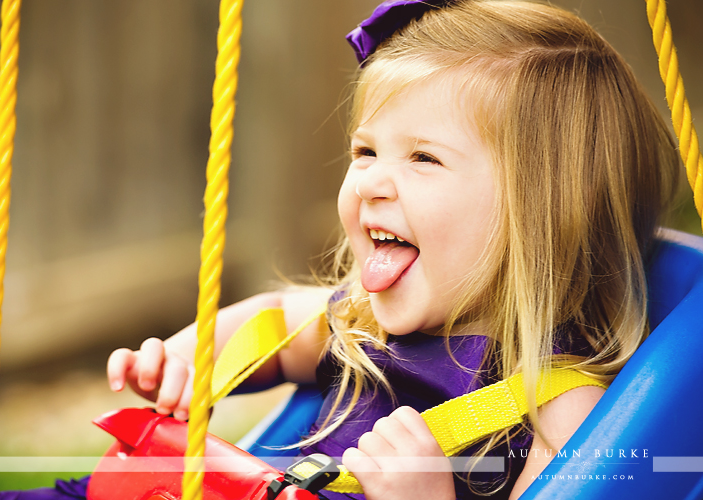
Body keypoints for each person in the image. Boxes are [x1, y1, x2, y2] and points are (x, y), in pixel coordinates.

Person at [108, 1, 679, 499]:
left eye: (423, 158)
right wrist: (185, 360)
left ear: (547, 210)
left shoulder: (558, 404)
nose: (368, 183)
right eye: (364, 152)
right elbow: (272, 323)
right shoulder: (361, 321)